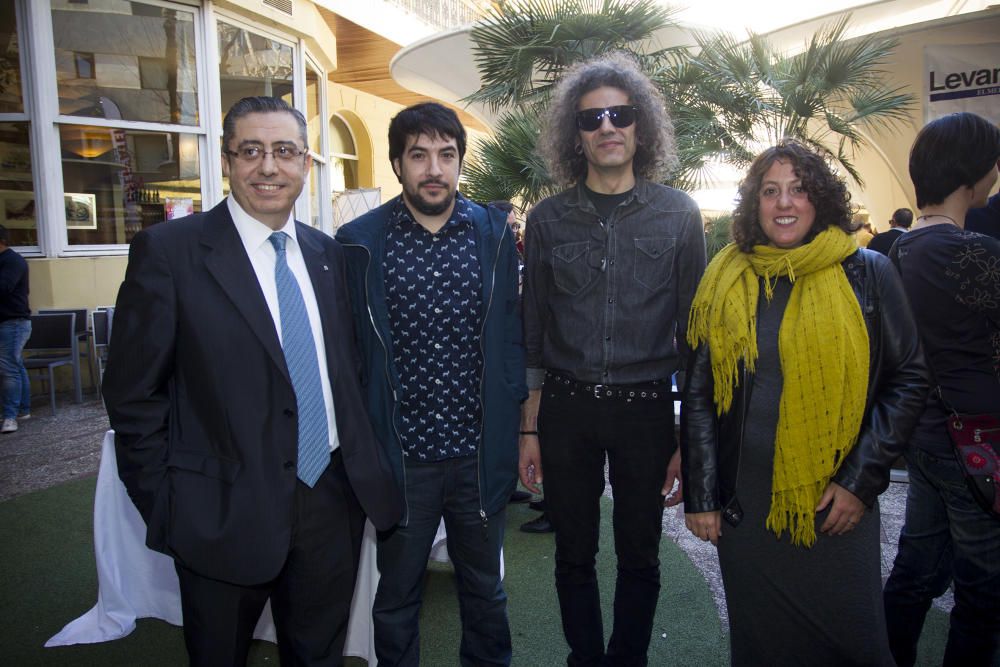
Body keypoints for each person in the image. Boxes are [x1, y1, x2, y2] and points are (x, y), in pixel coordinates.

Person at [103, 96, 402, 667]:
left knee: (317, 655)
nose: (269, 167)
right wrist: (168, 505)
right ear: (226, 160)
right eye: (251, 151)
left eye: (284, 151)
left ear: (306, 164)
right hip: (220, 510)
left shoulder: (327, 255)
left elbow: (346, 371)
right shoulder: (169, 252)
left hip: (330, 502)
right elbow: (133, 395)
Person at [681, 139, 928, 666]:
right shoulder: (727, 277)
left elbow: (908, 379)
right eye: (770, 191)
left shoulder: (867, 273)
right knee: (762, 646)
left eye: (798, 189)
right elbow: (700, 395)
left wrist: (860, 481)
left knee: (856, 644)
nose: (784, 203)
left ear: (821, 200)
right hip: (747, 507)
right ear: (754, 204)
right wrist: (702, 494)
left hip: (832, 502)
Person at [519, 52, 706, 666]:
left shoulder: (678, 214)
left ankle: (627, 660)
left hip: (646, 410)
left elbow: (695, 337)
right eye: (591, 118)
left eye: (619, 114)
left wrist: (688, 433)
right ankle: (584, 659)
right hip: (567, 409)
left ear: (640, 126)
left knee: (640, 552)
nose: (606, 127)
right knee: (572, 552)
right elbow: (534, 330)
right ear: (575, 136)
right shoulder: (547, 219)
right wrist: (529, 425)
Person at [335, 102, 526, 667]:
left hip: (476, 454)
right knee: (396, 599)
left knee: (485, 594)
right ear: (397, 163)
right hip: (402, 458)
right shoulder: (358, 242)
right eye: (419, 155)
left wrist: (520, 424)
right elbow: (349, 354)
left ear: (461, 162)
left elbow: (514, 338)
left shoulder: (493, 236)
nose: (434, 168)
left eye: (447, 155)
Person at [883, 111, 1000, 666]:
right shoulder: (974, 253)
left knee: (916, 567)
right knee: (982, 589)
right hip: (976, 441)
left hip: (926, 435)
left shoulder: (895, 252)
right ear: (972, 174)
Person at [0, 224, 30, 433]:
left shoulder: (13, 261)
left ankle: (10, 415)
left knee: (8, 369)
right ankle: (23, 408)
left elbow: (4, 287)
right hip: (9, 321)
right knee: (15, 366)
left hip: (13, 321)